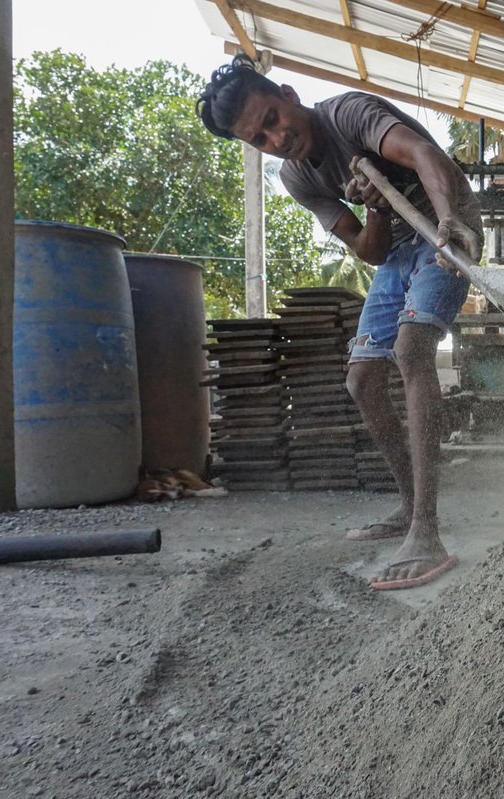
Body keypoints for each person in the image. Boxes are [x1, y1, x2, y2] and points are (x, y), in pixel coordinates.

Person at [196, 56, 483, 590]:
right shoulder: (296, 176)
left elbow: (424, 155)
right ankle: (406, 505)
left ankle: (427, 529)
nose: (276, 138)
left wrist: (447, 220)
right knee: (362, 378)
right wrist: (375, 207)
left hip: (447, 224)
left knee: (411, 349)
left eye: (274, 118)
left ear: (287, 93)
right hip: (399, 248)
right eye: (259, 138)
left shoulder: (349, 114)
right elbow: (369, 250)